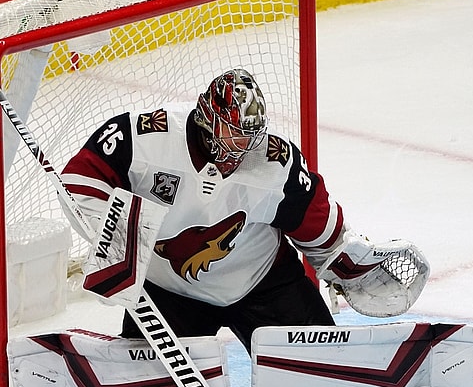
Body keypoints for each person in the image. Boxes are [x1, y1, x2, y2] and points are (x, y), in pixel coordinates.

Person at [60, 68, 423, 352]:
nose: (243, 149)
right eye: (234, 135)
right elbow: (77, 183)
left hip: (265, 286)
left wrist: (347, 264)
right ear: (206, 119)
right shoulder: (143, 139)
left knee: (323, 377)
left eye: (251, 137)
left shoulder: (274, 164)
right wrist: (118, 238)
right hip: (167, 296)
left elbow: (321, 230)